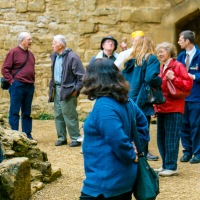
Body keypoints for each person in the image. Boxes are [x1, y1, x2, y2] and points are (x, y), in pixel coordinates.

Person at [80, 58, 149, 200]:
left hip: (106, 181)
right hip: (122, 179)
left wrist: (132, 153)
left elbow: (116, 138)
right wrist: (137, 145)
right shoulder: (125, 100)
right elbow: (143, 124)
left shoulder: (104, 105)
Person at [120, 35, 161, 161]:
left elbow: (121, 78)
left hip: (128, 97)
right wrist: (160, 81)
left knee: (130, 127)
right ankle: (143, 153)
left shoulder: (129, 60)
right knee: (143, 127)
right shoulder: (151, 59)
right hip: (142, 98)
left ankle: (131, 153)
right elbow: (150, 78)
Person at [154, 42, 193, 176]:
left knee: (171, 138)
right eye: (158, 52)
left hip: (174, 108)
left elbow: (188, 84)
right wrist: (155, 106)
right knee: (161, 138)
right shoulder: (162, 67)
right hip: (162, 107)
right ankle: (165, 165)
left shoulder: (178, 66)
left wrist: (174, 78)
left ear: (170, 52)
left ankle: (171, 166)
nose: (159, 54)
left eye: (162, 51)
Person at [48, 34, 85, 147]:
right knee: (58, 115)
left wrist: (76, 90)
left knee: (70, 115)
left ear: (60, 45)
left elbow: (82, 76)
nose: (52, 45)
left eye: (54, 43)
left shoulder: (72, 57)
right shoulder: (55, 56)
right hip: (57, 89)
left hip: (68, 91)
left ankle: (75, 138)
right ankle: (61, 138)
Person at [1, 32, 35, 140]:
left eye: (31, 39)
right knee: (14, 111)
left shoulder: (31, 55)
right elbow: (5, 69)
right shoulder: (13, 52)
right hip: (17, 85)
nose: (31, 41)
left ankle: (27, 134)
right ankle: (14, 135)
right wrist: (12, 82)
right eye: (29, 39)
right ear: (22, 41)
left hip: (29, 86)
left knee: (27, 112)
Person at [177, 30, 200, 164]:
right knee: (183, 126)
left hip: (196, 97)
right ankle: (187, 151)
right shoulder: (181, 56)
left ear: (187, 41)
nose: (179, 41)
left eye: (180, 39)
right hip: (182, 97)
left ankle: (197, 152)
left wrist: (194, 77)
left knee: (196, 126)